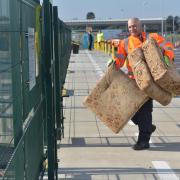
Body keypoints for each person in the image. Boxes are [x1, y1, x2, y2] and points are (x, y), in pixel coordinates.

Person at [113, 17, 174, 150]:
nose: (132, 29)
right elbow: (120, 58)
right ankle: (147, 126)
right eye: (130, 27)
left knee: (145, 110)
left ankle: (143, 141)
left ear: (141, 26)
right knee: (130, 110)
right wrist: (113, 63)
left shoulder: (152, 37)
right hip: (133, 81)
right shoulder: (125, 42)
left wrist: (166, 56)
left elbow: (168, 46)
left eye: (134, 26)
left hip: (150, 82)